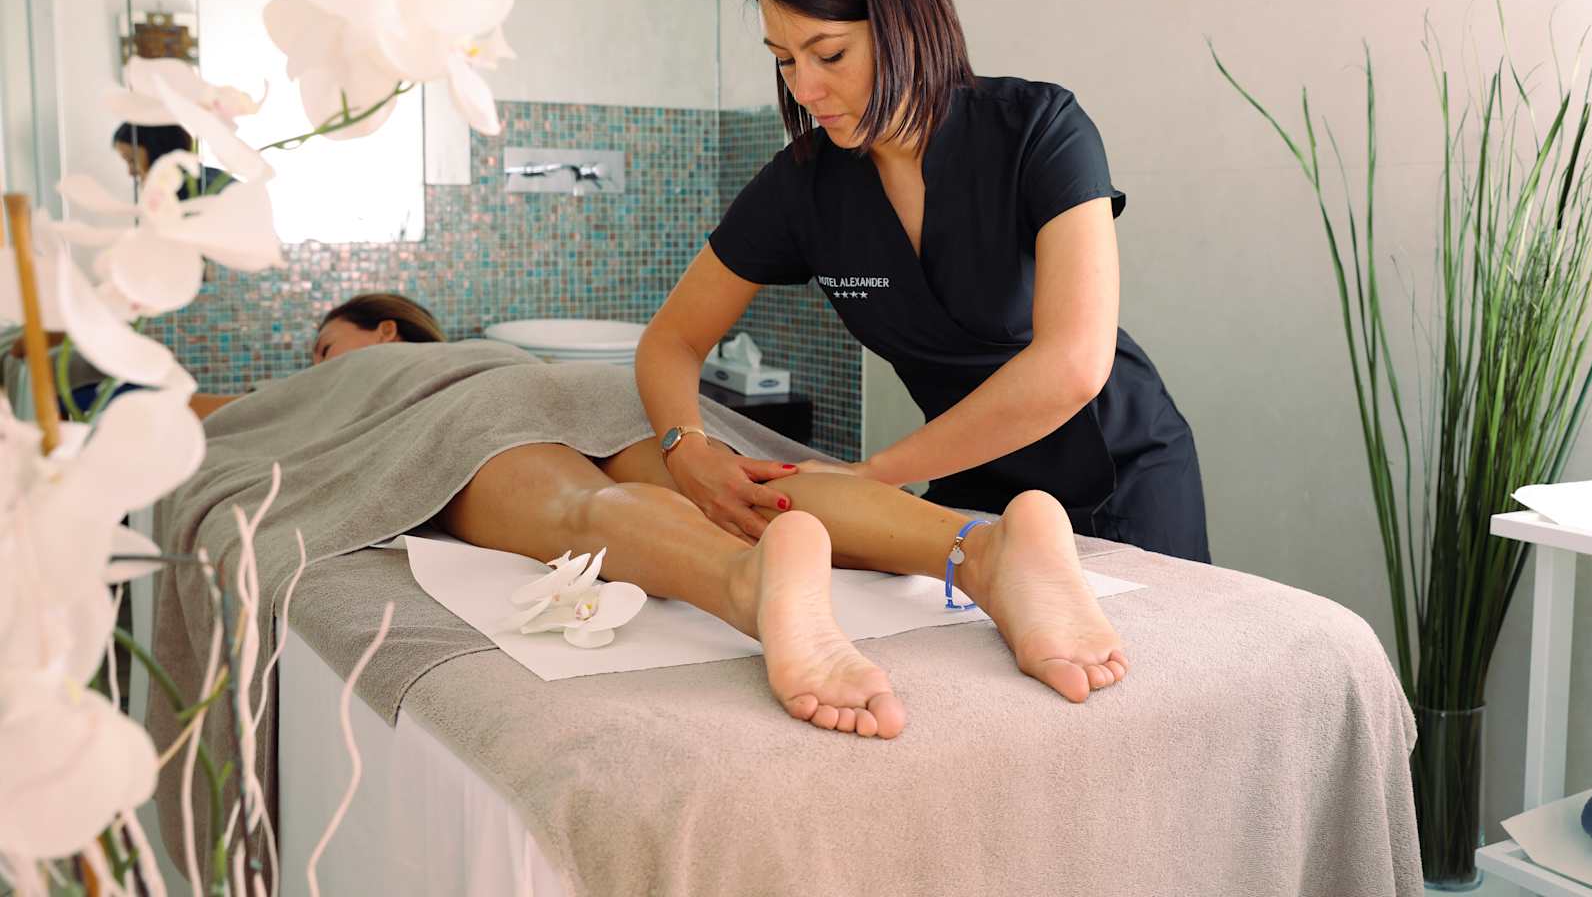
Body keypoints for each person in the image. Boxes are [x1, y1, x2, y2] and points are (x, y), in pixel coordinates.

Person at [191, 292, 1130, 738]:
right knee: (743, 484)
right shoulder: (504, 347)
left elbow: (201, 416)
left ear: (385, 334)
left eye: (325, 347)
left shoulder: (376, 370)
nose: (317, 366)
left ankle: (747, 580)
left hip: (460, 422)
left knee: (577, 509)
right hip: (595, 388)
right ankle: (982, 545)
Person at [636, 0, 1208, 562]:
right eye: (784, 60)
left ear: (904, 21)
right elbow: (671, 340)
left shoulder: (1040, 131)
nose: (805, 89)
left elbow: (1073, 366)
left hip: (1121, 478)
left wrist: (873, 476)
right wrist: (685, 449)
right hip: (970, 489)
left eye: (830, 54)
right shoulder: (803, 185)